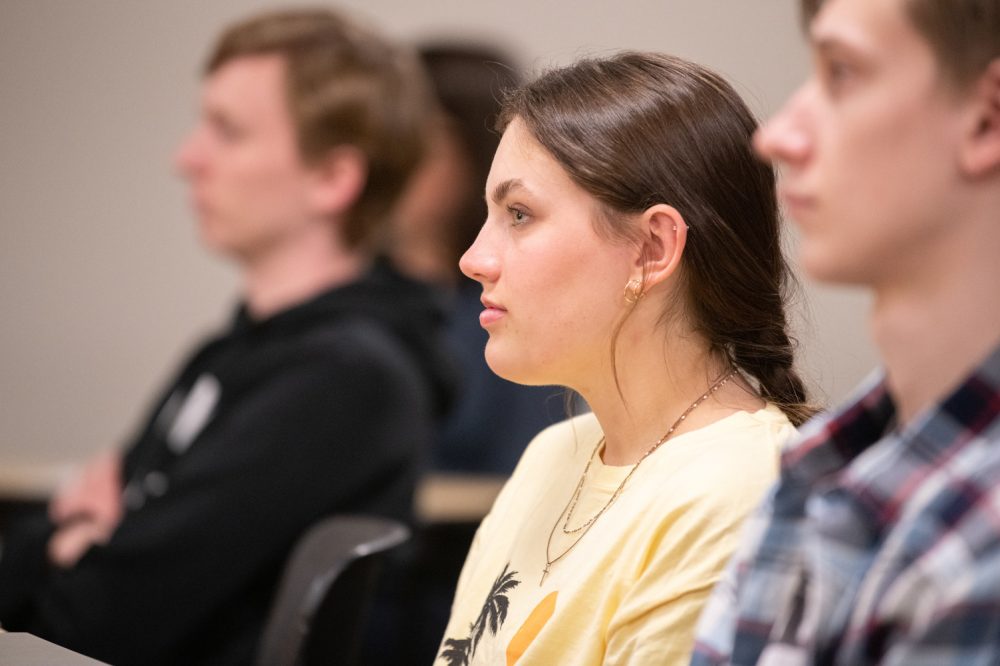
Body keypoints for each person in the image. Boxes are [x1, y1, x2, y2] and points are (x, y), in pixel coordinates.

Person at [0, 8, 453, 666]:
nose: (187, 158)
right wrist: (70, 539)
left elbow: (95, 618)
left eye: (228, 131)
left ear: (332, 179)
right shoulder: (232, 351)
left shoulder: (345, 377)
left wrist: (66, 539)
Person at [435, 52, 813, 665]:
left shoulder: (733, 493)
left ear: (651, 249)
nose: (474, 258)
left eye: (519, 215)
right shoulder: (553, 455)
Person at [690, 0, 1000, 663]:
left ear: (986, 119)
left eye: (842, 73)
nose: (777, 138)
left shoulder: (980, 539)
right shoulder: (825, 465)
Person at [391, 43, 557, 475]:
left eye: (411, 139)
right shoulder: (355, 300)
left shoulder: (518, 307)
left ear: (476, 152)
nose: (381, 162)